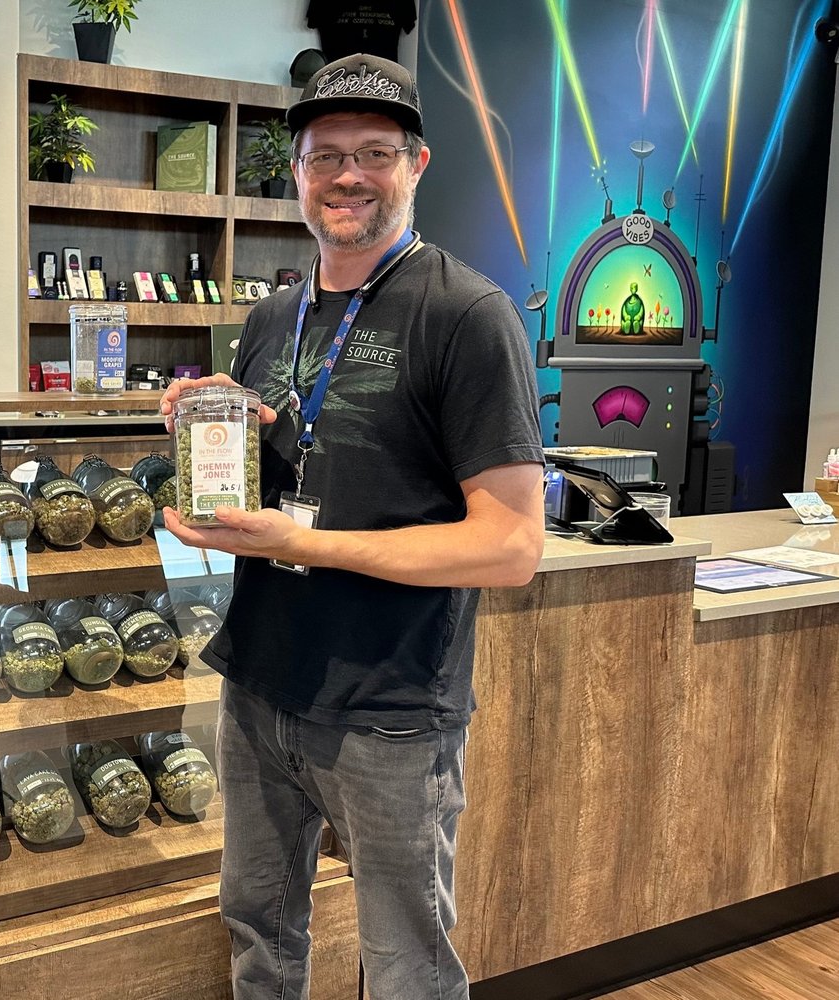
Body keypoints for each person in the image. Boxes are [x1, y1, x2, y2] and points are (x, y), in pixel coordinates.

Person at [160, 54, 545, 1000]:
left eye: (374, 152)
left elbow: (511, 545)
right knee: (259, 929)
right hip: (256, 686)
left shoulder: (468, 314)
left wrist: (305, 544)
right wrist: (220, 427)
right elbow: (313, 448)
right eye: (324, 155)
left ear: (417, 165)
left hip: (392, 712)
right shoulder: (275, 313)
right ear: (297, 174)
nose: (347, 175)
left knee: (407, 965)